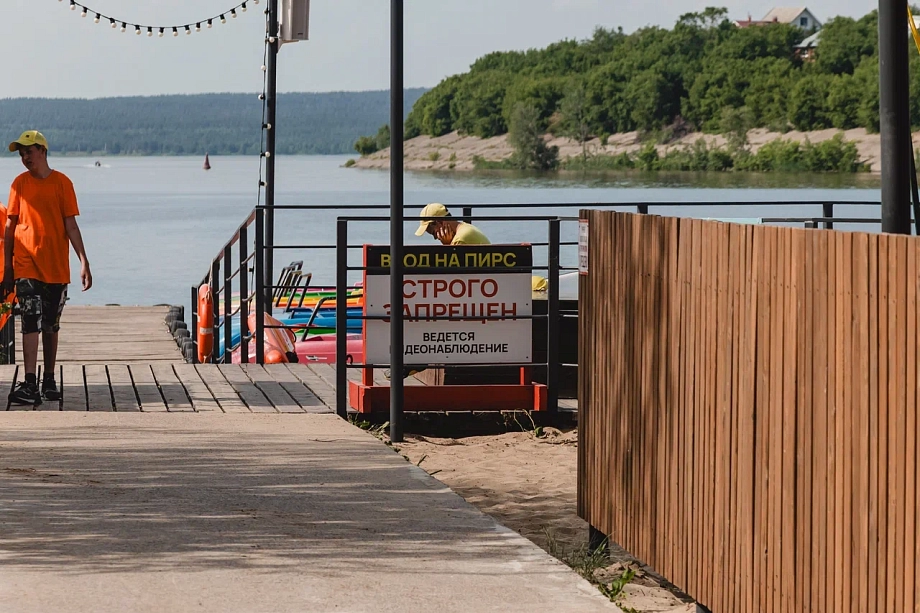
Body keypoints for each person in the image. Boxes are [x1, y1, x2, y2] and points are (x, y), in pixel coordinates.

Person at [3, 130, 92, 405]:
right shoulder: (19, 184)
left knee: (51, 325)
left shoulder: (62, 183)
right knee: (30, 319)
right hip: (25, 263)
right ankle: (30, 383)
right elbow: (10, 226)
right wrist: (7, 265)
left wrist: (84, 261)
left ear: (42, 150)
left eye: (28, 151)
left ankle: (49, 379)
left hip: (55, 266)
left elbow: (71, 225)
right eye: (21, 153)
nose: (24, 157)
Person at [414, 202, 491, 245]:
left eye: (434, 233)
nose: (436, 238)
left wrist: (448, 246)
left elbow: (452, 272)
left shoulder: (460, 239)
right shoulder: (466, 227)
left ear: (440, 222)